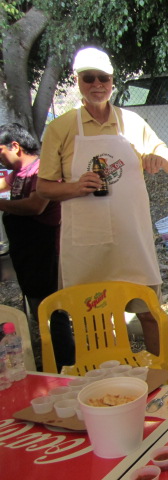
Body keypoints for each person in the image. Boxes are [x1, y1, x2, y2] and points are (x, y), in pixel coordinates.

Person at [37, 47, 168, 358]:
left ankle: (162, 377)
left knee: (148, 312)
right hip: (89, 242)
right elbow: (44, 187)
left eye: (104, 78)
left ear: (113, 81)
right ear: (78, 82)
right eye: (89, 78)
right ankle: (109, 377)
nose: (97, 84)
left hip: (131, 238)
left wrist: (159, 159)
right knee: (96, 318)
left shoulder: (131, 122)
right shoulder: (59, 129)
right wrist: (75, 187)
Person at [0, 123, 74, 371]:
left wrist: (1, 205)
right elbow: (4, 185)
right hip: (27, 253)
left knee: (52, 310)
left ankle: (65, 365)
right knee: (37, 310)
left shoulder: (42, 170)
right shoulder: (18, 174)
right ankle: (51, 359)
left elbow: (36, 207)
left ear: (15, 147)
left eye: (0, 151)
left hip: (46, 252)